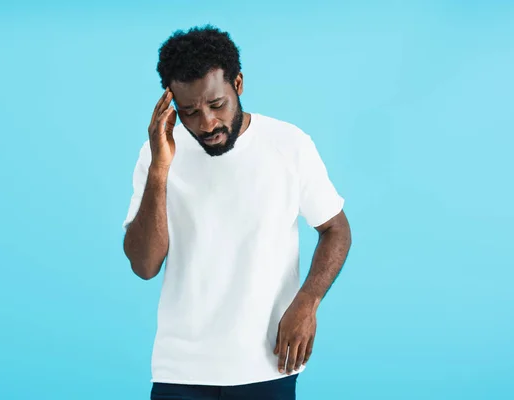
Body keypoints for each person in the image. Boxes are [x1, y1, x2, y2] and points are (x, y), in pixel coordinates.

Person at [123, 25, 352, 400]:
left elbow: (336, 229)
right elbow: (144, 266)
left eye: (217, 105)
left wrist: (308, 302)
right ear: (171, 103)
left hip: (266, 363)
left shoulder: (288, 144)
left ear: (238, 84)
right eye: (190, 112)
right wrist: (160, 169)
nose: (207, 124)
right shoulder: (157, 154)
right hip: (180, 367)